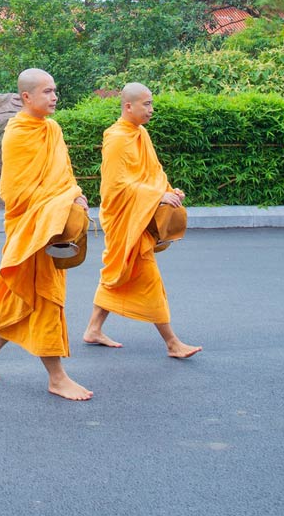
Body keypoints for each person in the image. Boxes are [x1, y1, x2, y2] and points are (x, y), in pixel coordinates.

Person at [0, 68, 94, 402]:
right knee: (44, 298)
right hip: (32, 225)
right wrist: (60, 200)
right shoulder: (17, 133)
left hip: (52, 223)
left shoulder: (52, 129)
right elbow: (15, 192)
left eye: (55, 91)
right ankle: (56, 377)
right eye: (47, 92)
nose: (54, 97)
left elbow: (63, 173)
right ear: (26, 97)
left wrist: (76, 194)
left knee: (28, 293)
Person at [82, 83, 202, 359]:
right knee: (148, 277)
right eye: (146, 104)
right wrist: (156, 196)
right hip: (123, 216)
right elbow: (116, 186)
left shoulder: (141, 134)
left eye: (151, 104)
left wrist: (168, 191)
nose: (151, 109)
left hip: (139, 213)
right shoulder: (116, 138)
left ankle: (93, 328)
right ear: (128, 107)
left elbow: (153, 171)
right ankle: (172, 342)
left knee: (118, 272)